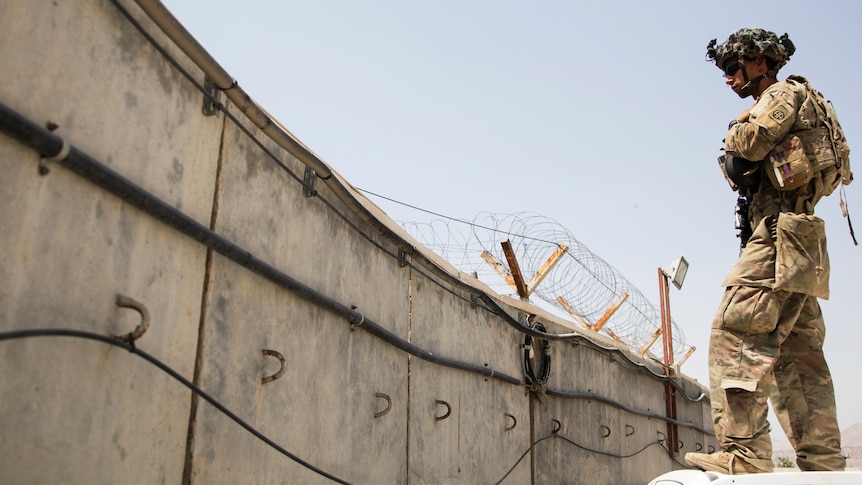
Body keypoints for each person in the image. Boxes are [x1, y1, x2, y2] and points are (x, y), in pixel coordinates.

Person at [684, 28, 852, 474]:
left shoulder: (779, 95)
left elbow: (751, 143)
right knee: (800, 360)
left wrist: (736, 125)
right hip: (804, 242)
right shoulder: (802, 96)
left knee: (735, 331)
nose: (727, 78)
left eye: (732, 67)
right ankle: (823, 461)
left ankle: (744, 453)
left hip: (779, 235)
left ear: (760, 62)